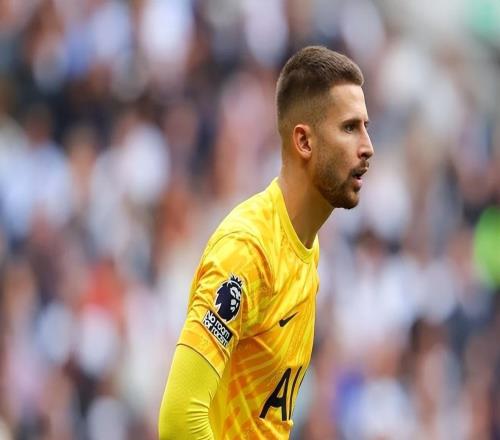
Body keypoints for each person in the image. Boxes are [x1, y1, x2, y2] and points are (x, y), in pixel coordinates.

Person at [158, 45, 374, 439]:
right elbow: (179, 421)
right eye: (349, 128)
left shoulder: (305, 249)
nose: (367, 146)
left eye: (365, 126)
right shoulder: (248, 250)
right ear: (304, 142)